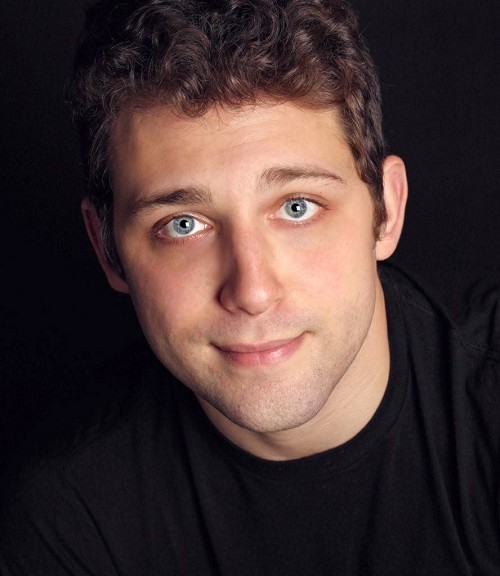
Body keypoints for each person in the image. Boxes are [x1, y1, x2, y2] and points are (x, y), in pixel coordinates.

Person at [1, 0, 499, 574]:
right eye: (182, 225)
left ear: (385, 210)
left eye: (297, 206)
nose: (252, 291)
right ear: (106, 247)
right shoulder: (68, 522)